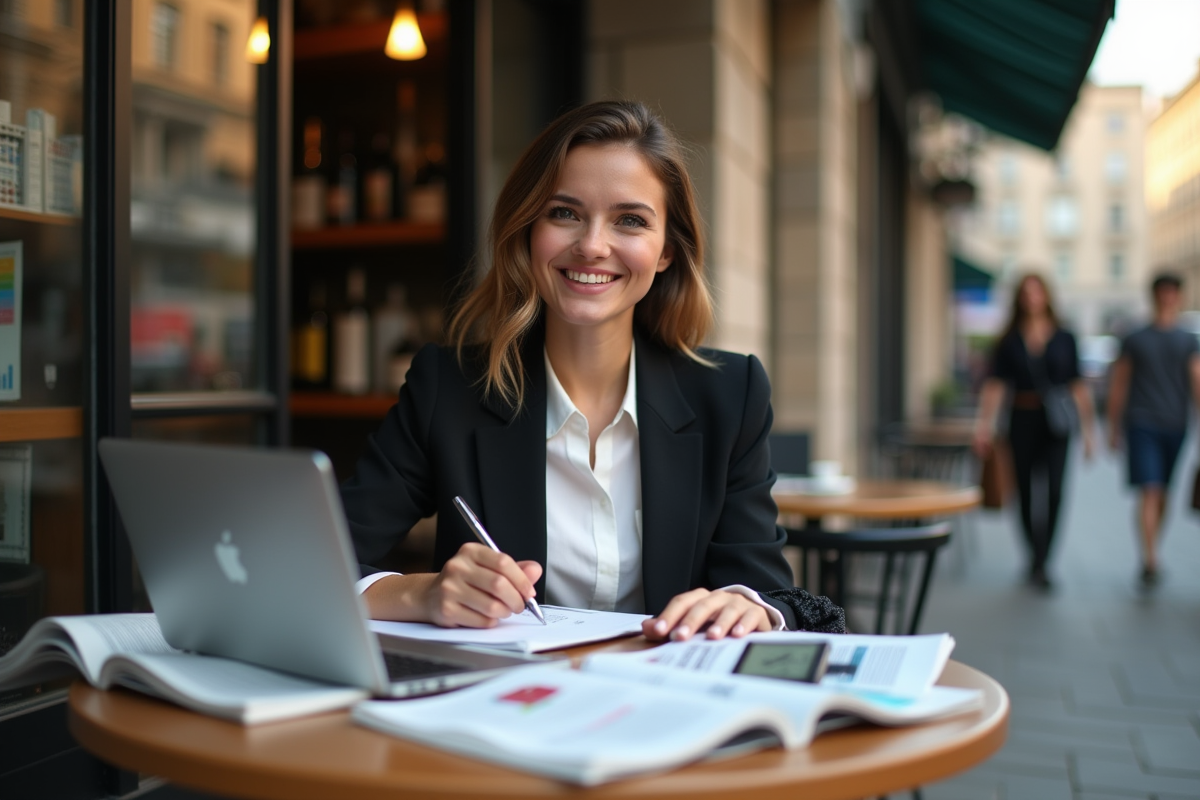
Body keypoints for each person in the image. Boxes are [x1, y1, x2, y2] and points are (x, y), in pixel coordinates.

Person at [340, 100, 844, 640]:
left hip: (669, 706)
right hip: (504, 706)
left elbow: (761, 586)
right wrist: (426, 593)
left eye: (630, 220)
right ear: (529, 230)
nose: (592, 246)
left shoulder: (730, 394)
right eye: (564, 213)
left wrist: (748, 608)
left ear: (668, 249)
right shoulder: (450, 387)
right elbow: (321, 558)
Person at [973, 274, 1095, 589]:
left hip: (1057, 422)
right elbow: (996, 385)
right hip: (1021, 419)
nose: (1032, 298)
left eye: (1037, 291)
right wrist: (983, 426)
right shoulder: (1009, 339)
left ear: (1046, 295)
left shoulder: (1065, 337)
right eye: (1026, 292)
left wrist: (1090, 432)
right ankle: (1033, 556)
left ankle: (1044, 560)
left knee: (1055, 492)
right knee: (1025, 492)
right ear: (1019, 298)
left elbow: (1078, 385)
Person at [1105, 272, 1200, 588]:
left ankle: (1152, 547)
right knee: (1150, 488)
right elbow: (1120, 382)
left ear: (1179, 296)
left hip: (1175, 423)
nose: (1168, 296)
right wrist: (1113, 427)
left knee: (1164, 494)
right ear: (1155, 295)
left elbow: (1196, 381)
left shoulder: (1188, 339)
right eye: (1163, 291)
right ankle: (1150, 560)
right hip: (1141, 422)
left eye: (1173, 291)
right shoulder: (1135, 337)